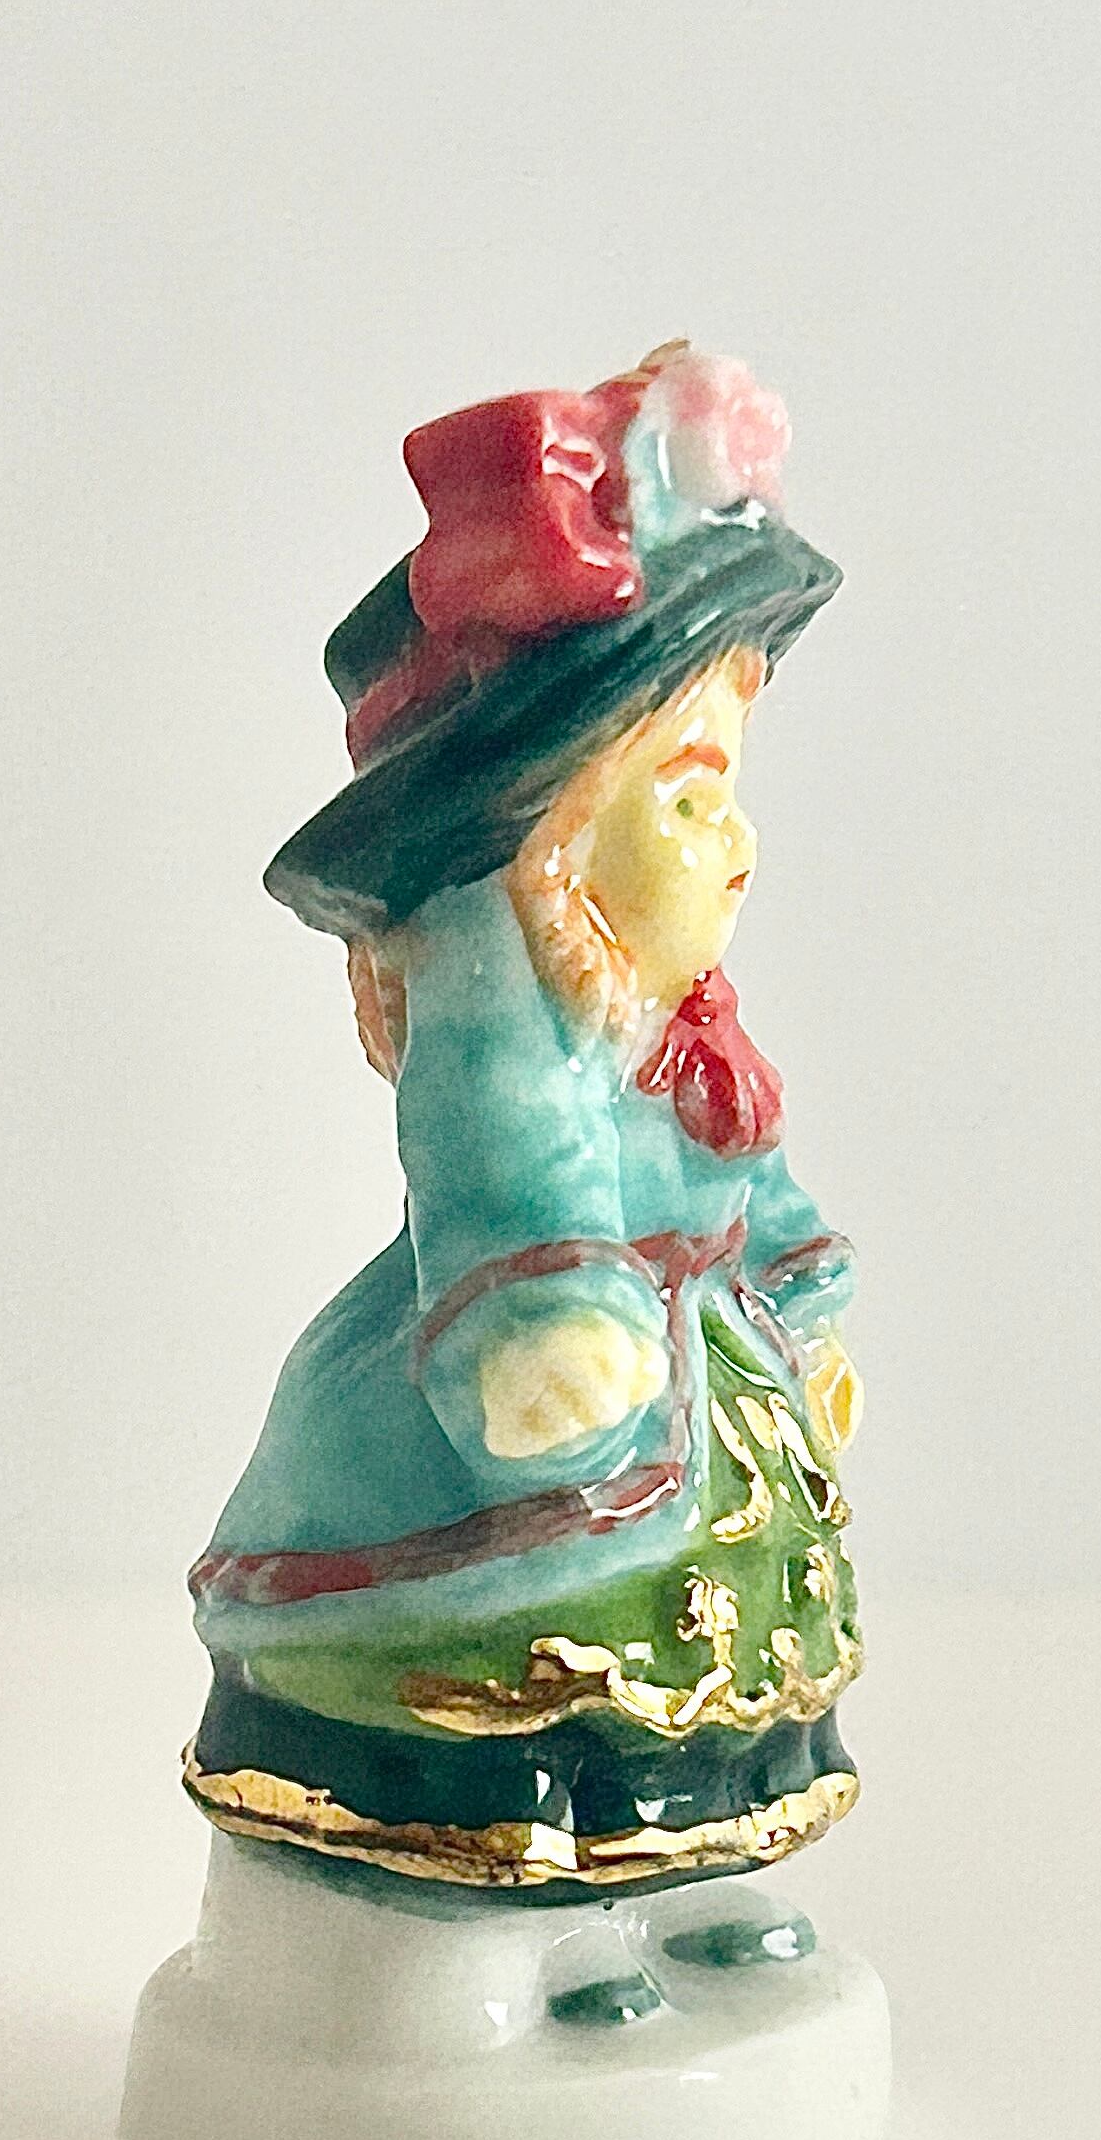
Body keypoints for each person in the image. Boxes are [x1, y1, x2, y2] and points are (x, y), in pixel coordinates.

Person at [184, 345, 865, 1925]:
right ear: (551, 842)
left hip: (695, 1388)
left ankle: (699, 1889)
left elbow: (747, 1176)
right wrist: (548, 1329)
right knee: (523, 1666)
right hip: (524, 1402)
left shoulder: (679, 1027)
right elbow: (504, 1171)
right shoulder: (508, 1015)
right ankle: (479, 1935)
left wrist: (802, 1288)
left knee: (715, 1655)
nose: (738, 847)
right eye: (689, 800)